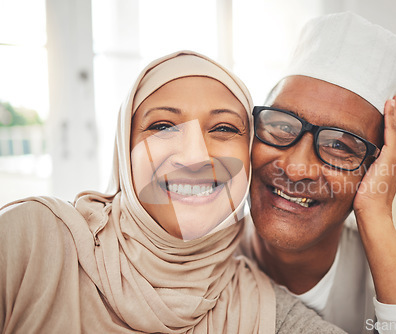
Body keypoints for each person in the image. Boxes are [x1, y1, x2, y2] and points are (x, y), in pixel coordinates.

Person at [0, 51, 346, 333]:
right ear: (125, 148)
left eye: (224, 128)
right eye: (163, 126)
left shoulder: (268, 315)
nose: (194, 156)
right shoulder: (31, 240)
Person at [241, 12, 396, 333]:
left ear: (374, 169)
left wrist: (376, 213)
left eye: (339, 145)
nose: (296, 168)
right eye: (282, 126)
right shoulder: (199, 256)